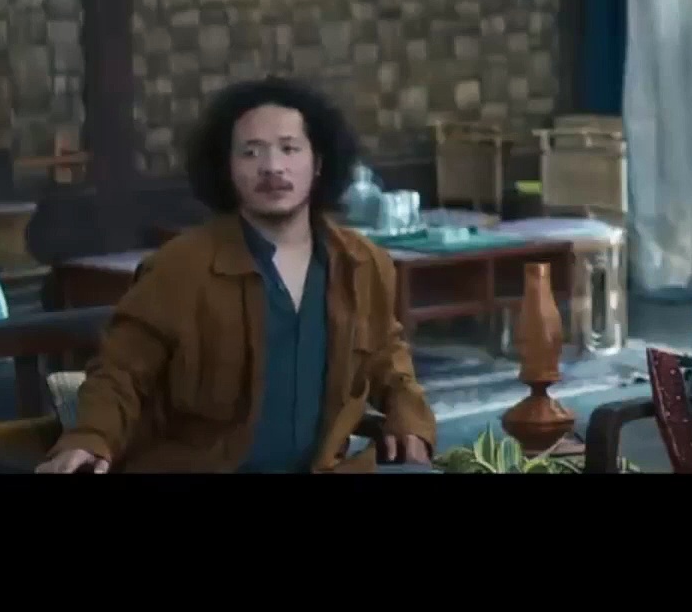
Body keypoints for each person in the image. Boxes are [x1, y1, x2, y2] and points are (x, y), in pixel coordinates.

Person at [37, 77, 437, 473]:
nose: (272, 167)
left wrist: (409, 418)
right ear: (226, 168)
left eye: (289, 148)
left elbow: (386, 354)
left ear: (318, 163)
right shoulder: (180, 267)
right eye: (250, 152)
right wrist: (91, 437)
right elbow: (121, 371)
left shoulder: (361, 263)